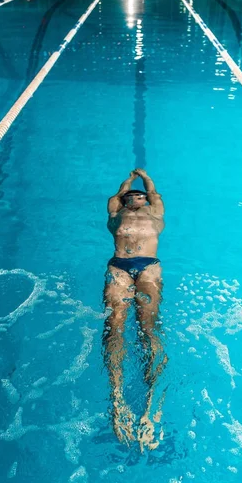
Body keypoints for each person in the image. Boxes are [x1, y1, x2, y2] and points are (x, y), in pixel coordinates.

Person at [103, 168, 167, 451]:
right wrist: (128, 182)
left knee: (148, 328)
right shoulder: (116, 213)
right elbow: (114, 197)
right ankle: (117, 398)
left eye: (142, 195)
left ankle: (152, 403)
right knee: (114, 324)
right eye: (132, 195)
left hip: (149, 267)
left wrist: (146, 179)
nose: (137, 197)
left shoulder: (156, 214)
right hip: (119, 266)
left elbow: (154, 193)